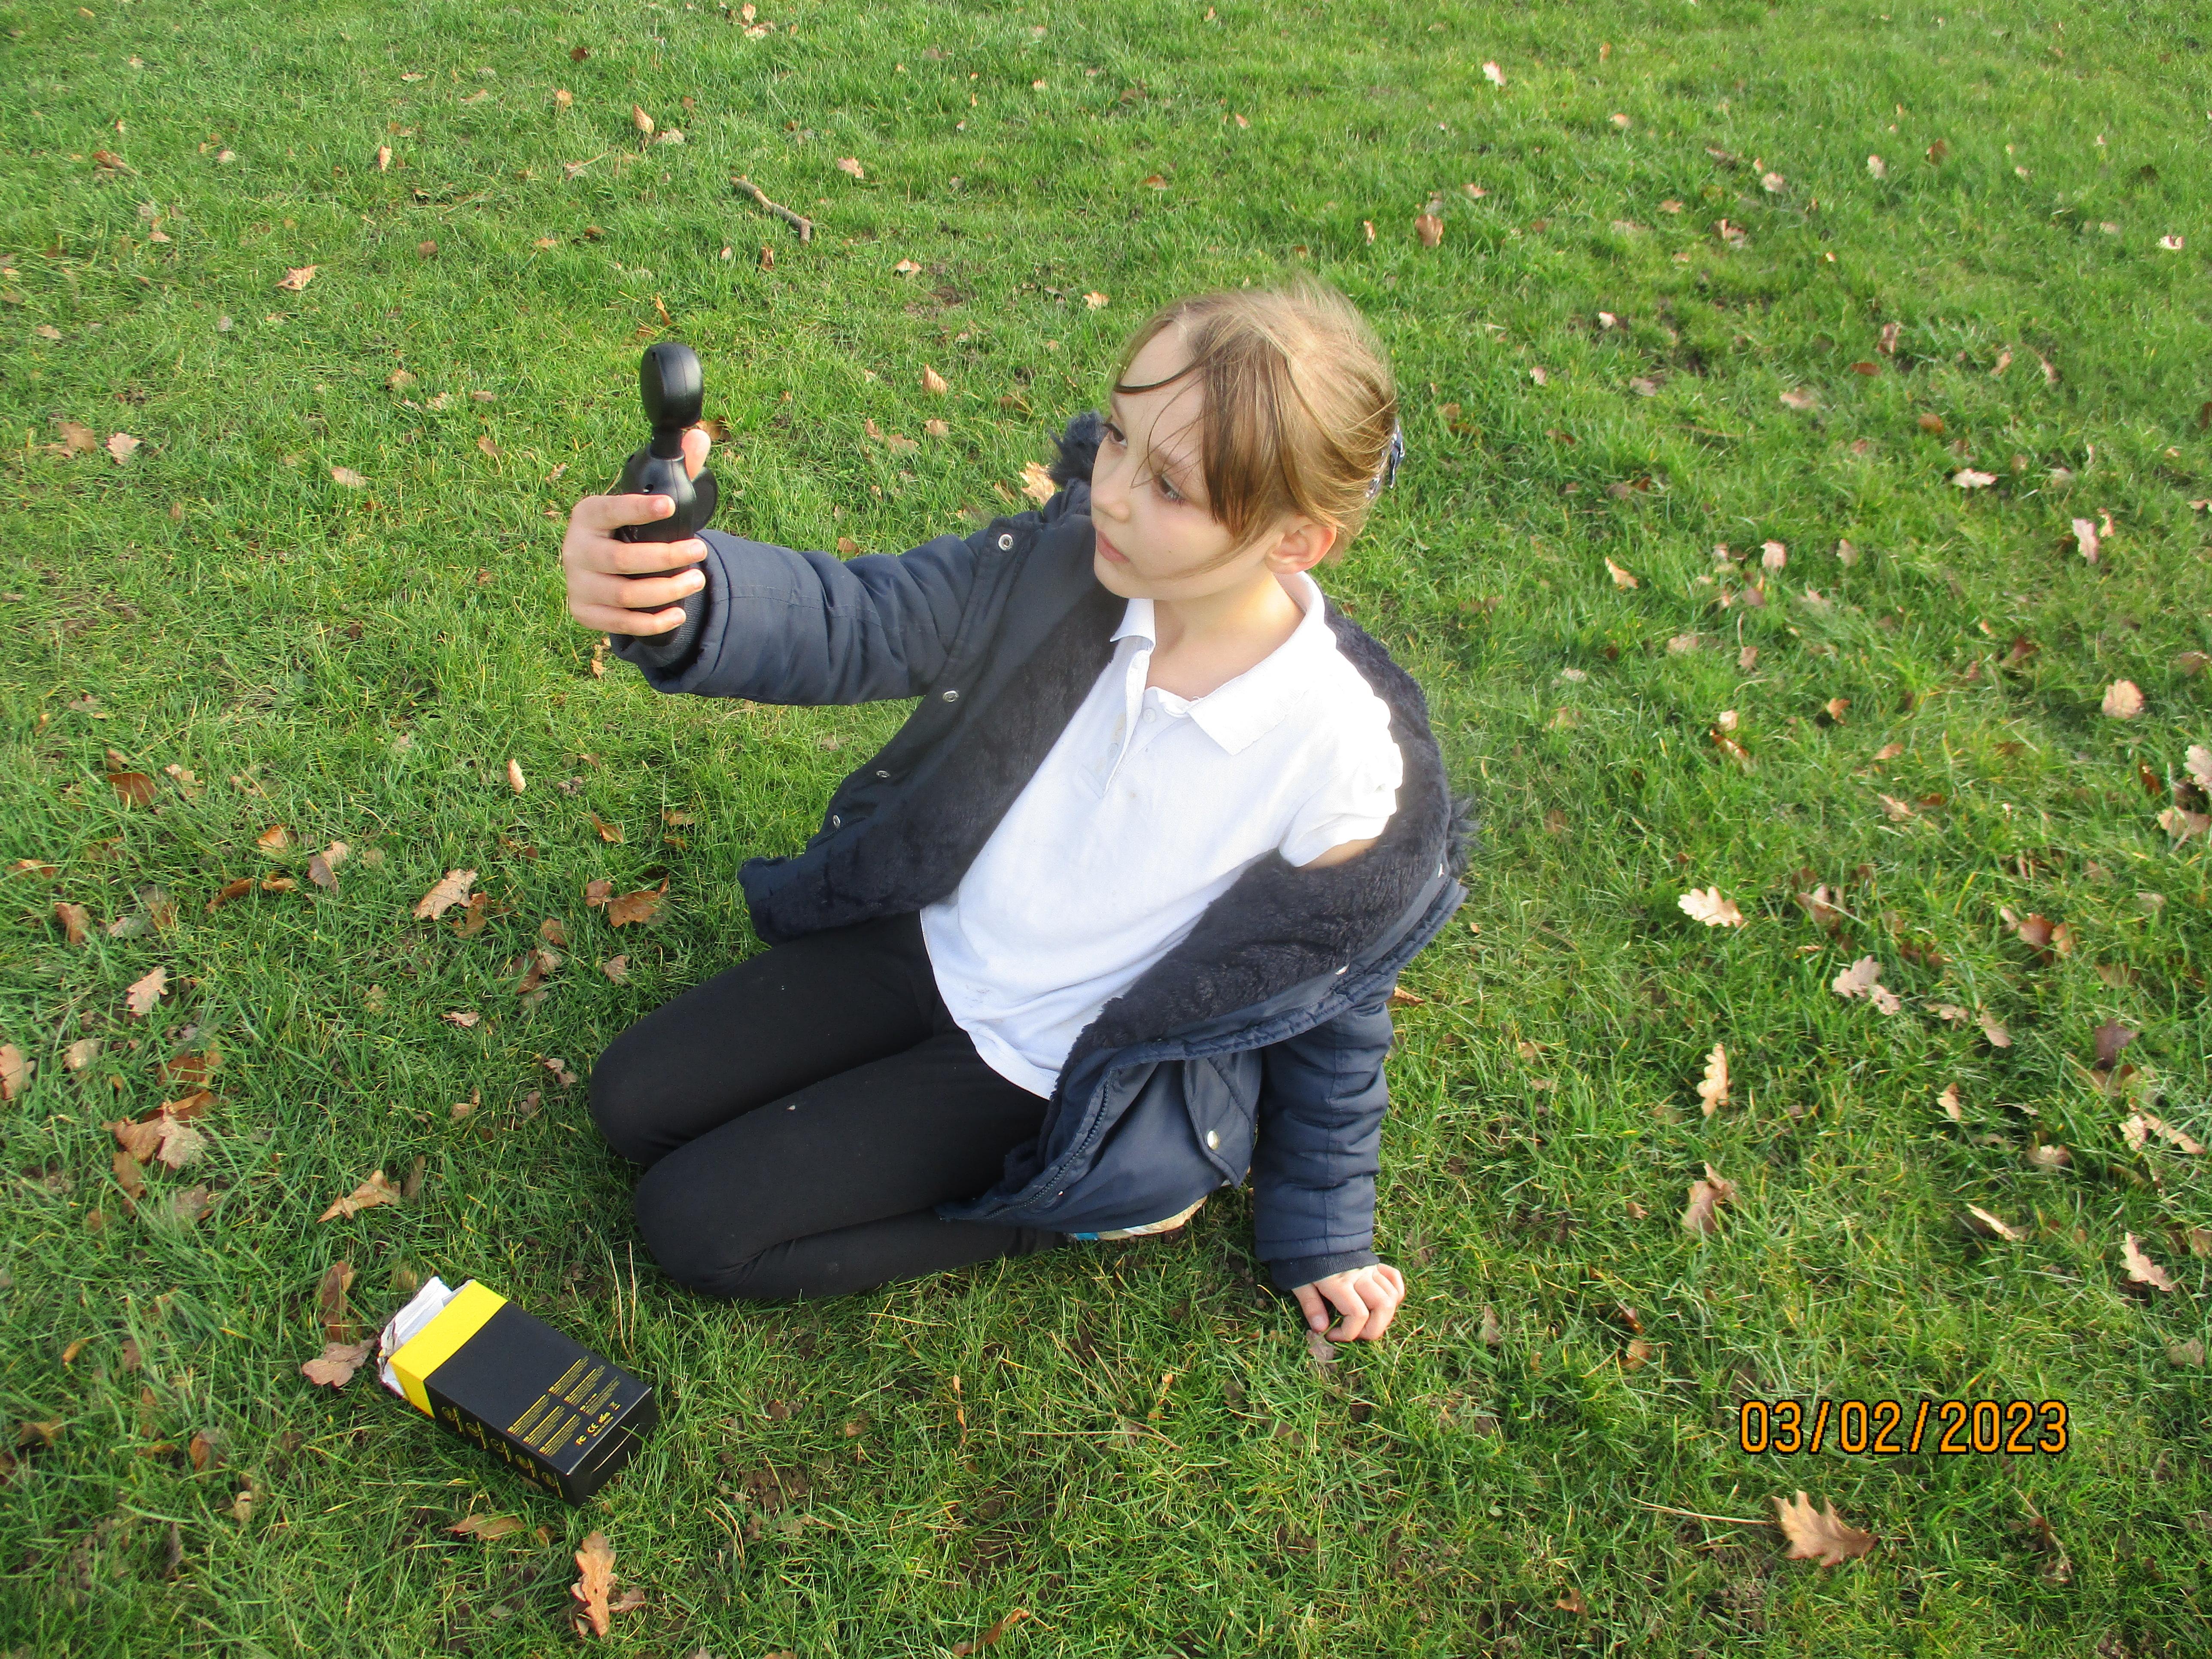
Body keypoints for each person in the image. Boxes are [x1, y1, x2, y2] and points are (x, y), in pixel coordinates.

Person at [562, 277, 1471, 1345]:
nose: (1112, 494)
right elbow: (858, 618)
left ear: (1293, 542)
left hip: (1050, 1070)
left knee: (694, 1226)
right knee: (631, 1101)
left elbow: (1335, 1000)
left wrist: (1322, 1229)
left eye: (1169, 487)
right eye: (1118, 438)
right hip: (930, 950)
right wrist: (682, 595)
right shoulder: (1065, 573)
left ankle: (1079, 1210)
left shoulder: (1340, 759)